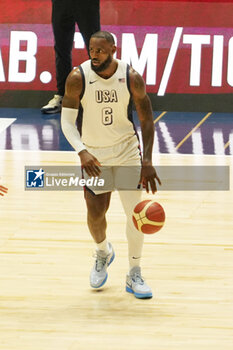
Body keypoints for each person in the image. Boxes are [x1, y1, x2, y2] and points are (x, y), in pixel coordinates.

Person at [61, 31, 161, 299]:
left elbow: (147, 120)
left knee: (136, 216)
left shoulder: (131, 77)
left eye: (100, 51)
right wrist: (82, 151)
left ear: (113, 50)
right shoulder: (77, 77)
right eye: (91, 50)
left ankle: (134, 272)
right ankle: (103, 251)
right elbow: (68, 122)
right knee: (95, 215)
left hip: (127, 153)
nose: (94, 55)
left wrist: (148, 160)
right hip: (95, 157)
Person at [41, 0, 100, 114]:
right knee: (61, 48)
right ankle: (62, 95)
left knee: (95, 47)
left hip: (86, 3)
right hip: (61, 3)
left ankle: (98, 96)